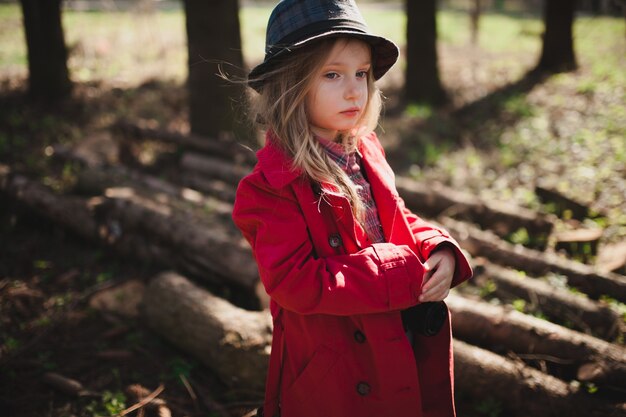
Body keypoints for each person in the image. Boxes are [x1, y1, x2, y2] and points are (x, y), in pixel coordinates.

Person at [232, 1, 472, 416]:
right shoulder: (270, 188)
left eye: (361, 73)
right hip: (341, 371)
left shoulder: (364, 150)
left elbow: (395, 218)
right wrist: (396, 272)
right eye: (332, 74)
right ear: (290, 85)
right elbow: (294, 280)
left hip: (400, 339)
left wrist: (439, 248)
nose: (353, 89)